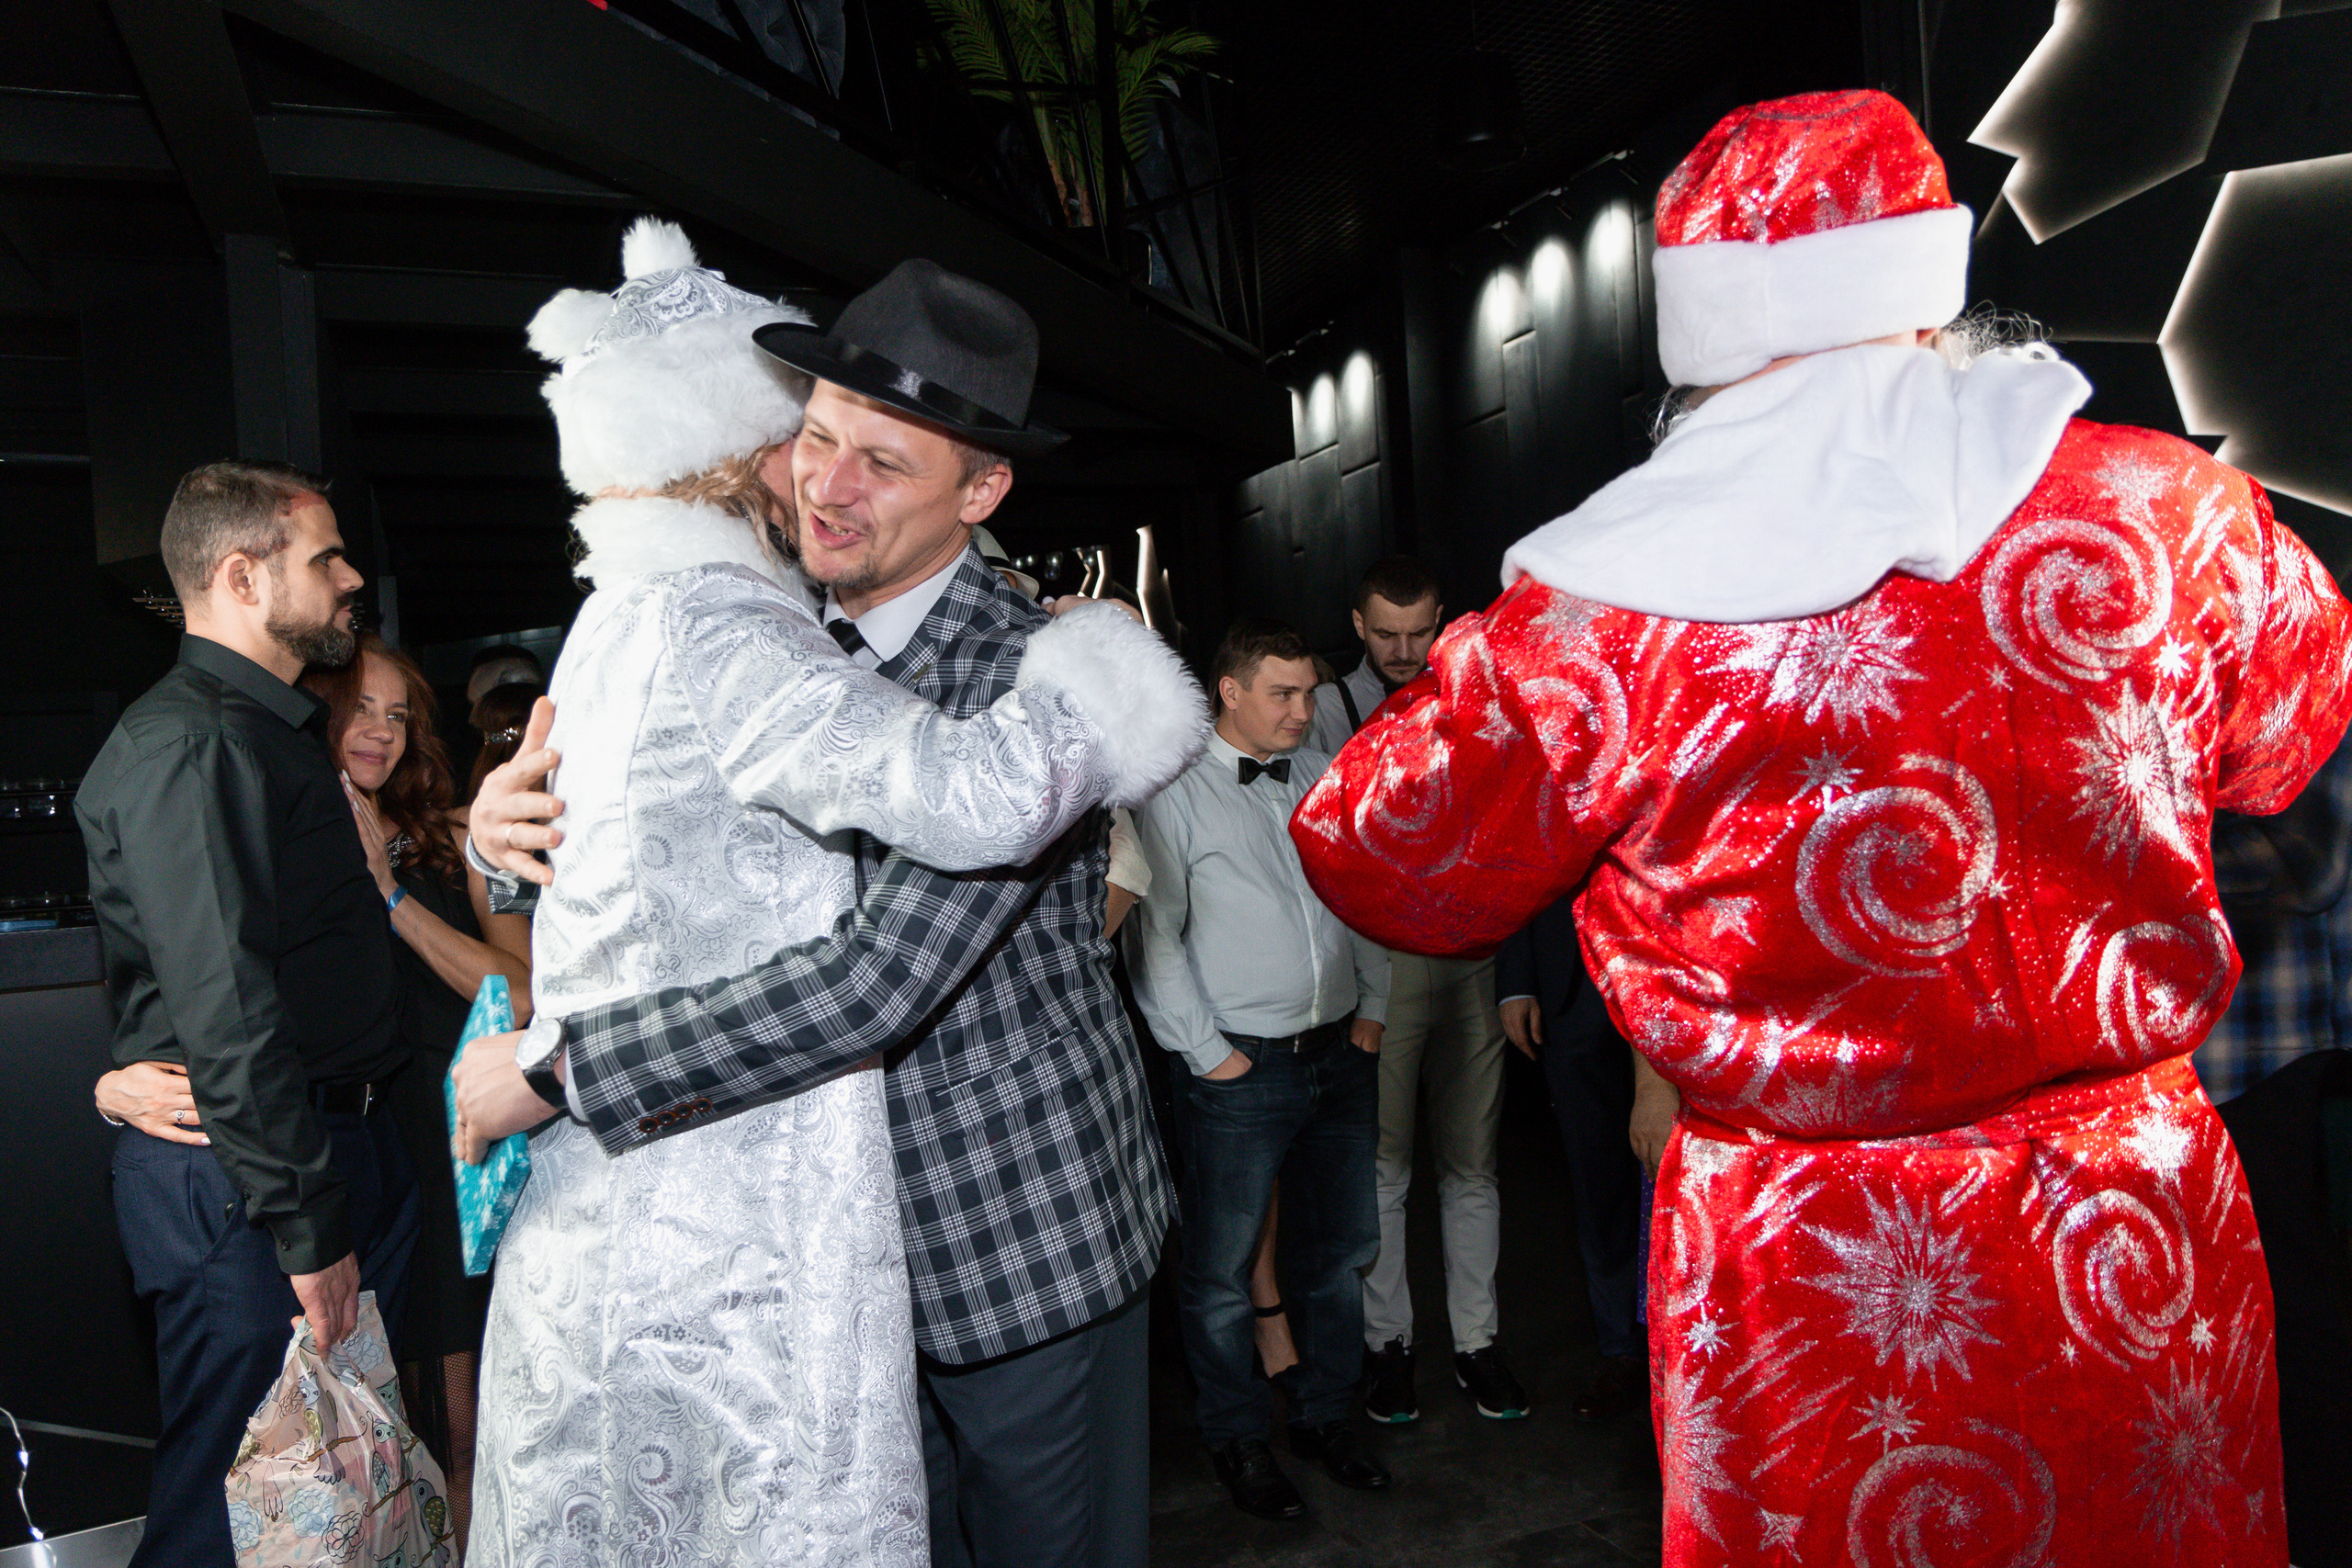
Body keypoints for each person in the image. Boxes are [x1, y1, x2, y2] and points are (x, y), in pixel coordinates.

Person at [1288, 90, 2352, 1566]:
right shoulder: (2178, 513)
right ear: (1928, 284)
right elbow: (2292, 727)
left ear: (1699, 344)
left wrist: (1511, 626)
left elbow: (1376, 845)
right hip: (2132, 1230)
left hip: (1816, 1270)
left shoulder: (1610, 609)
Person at [449, 231, 1203, 1568]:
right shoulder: (751, 613)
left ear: (981, 492)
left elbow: (874, 982)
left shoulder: (1021, 685)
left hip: (1008, 1251)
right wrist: (504, 842)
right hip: (807, 1279)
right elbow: (649, 836)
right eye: (817, 436)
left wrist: (566, 1070)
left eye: (884, 461)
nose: (826, 487)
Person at [76, 459, 419, 1567]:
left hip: (315, 1152)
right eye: (325, 558)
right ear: (240, 576)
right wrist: (306, 1226)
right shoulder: (193, 740)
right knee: (228, 1515)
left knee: (321, 1507)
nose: (350, 577)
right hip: (255, 1180)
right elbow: (222, 1002)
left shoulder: (262, 731)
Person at [1125, 618, 1393, 1521]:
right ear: (1228, 691)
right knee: (1218, 1269)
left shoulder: (1319, 776)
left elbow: (1365, 897)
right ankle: (1238, 1439)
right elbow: (1153, 941)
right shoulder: (1171, 796)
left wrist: (1375, 1009)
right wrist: (1211, 1055)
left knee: (1341, 1249)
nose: (1302, 710)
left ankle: (1322, 1417)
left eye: (1310, 692)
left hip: (1338, 1054)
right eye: (1282, 693)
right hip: (1242, 1070)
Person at [1307, 555, 1528, 1423]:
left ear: (1444, 620)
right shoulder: (1324, 708)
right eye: (1386, 634)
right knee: (1385, 1171)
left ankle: (1478, 1344)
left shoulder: (1475, 695)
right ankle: (1387, 1345)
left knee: (1474, 1167)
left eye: (1420, 631)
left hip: (1471, 954)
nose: (1404, 649)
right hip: (1379, 967)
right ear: (1357, 626)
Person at [1496, 898, 1649, 1421]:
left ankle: (1689, 1348)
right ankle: (1623, 1352)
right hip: (1572, 985)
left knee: (1684, 1175)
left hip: (1666, 977)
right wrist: (1516, 979)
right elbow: (1525, 854)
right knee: (1597, 1180)